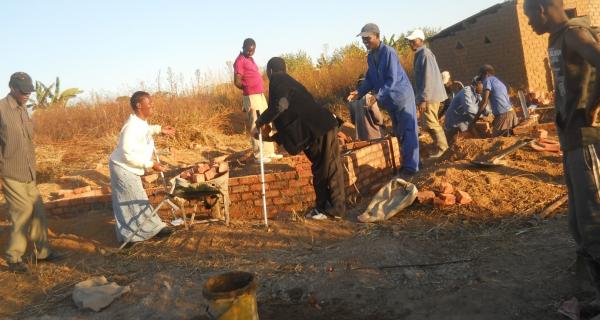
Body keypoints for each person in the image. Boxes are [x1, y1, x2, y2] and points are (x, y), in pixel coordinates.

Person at [524, 0, 600, 314]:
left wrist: (591, 109)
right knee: (579, 221)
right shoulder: (558, 38)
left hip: (583, 139)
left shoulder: (573, 33)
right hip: (570, 140)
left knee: (593, 218)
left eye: (529, 16)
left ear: (543, 8)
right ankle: (591, 287)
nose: (529, 23)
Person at [254, 57, 345, 220]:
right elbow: (292, 118)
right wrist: (270, 138)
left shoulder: (278, 80)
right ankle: (334, 208)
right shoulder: (291, 84)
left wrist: (260, 122)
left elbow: (279, 106)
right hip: (322, 127)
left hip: (318, 129)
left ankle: (326, 209)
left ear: (270, 71)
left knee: (323, 169)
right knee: (329, 167)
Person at [0, 72, 64, 273]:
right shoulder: (1, 109)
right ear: (12, 88)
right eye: (23, 91)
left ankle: (42, 253)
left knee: (37, 210)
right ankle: (14, 257)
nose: (27, 95)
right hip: (11, 170)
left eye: (30, 92)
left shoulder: (24, 110)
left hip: (29, 171)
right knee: (22, 212)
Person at [347, 23, 419, 177]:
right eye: (363, 39)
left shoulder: (388, 52)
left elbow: (392, 79)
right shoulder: (371, 57)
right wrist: (358, 92)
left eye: (368, 38)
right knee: (399, 132)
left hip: (402, 97)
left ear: (377, 37)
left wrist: (377, 96)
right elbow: (370, 79)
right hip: (390, 101)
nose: (365, 42)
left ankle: (412, 168)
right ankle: (409, 163)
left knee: (408, 131)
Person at [109, 91, 175, 245]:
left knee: (130, 200)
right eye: (149, 103)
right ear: (139, 106)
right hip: (122, 167)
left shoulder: (139, 122)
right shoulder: (130, 127)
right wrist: (151, 165)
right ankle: (143, 233)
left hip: (126, 167)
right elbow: (126, 153)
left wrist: (160, 129)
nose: (152, 106)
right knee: (135, 200)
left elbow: (145, 131)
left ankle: (135, 233)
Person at [233, 38, 281, 163]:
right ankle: (258, 155)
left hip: (260, 95)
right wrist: (247, 88)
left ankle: (269, 152)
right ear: (243, 47)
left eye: (252, 50)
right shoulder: (239, 61)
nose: (250, 52)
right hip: (251, 96)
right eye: (248, 50)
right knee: (256, 123)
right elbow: (237, 81)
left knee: (267, 121)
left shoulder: (250, 59)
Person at [407, 29, 449, 158]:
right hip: (427, 95)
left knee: (431, 123)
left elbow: (428, 77)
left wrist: (424, 98)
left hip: (430, 96)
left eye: (413, 41)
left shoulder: (425, 54)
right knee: (427, 124)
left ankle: (443, 149)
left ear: (420, 40)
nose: (411, 43)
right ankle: (440, 147)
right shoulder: (420, 54)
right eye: (410, 41)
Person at [471, 64, 519, 137]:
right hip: (511, 114)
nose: (481, 80)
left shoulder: (487, 80)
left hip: (504, 115)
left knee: (495, 141)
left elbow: (484, 102)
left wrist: (473, 121)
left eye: (481, 76)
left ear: (486, 74)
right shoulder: (498, 81)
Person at [444, 76, 490, 145]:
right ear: (477, 84)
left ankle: (480, 142)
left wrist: (487, 113)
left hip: (464, 122)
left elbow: (486, 110)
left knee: (479, 130)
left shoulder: (478, 94)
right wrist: (482, 116)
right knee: (459, 142)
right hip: (455, 123)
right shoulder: (466, 91)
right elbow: (469, 109)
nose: (485, 88)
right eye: (483, 85)